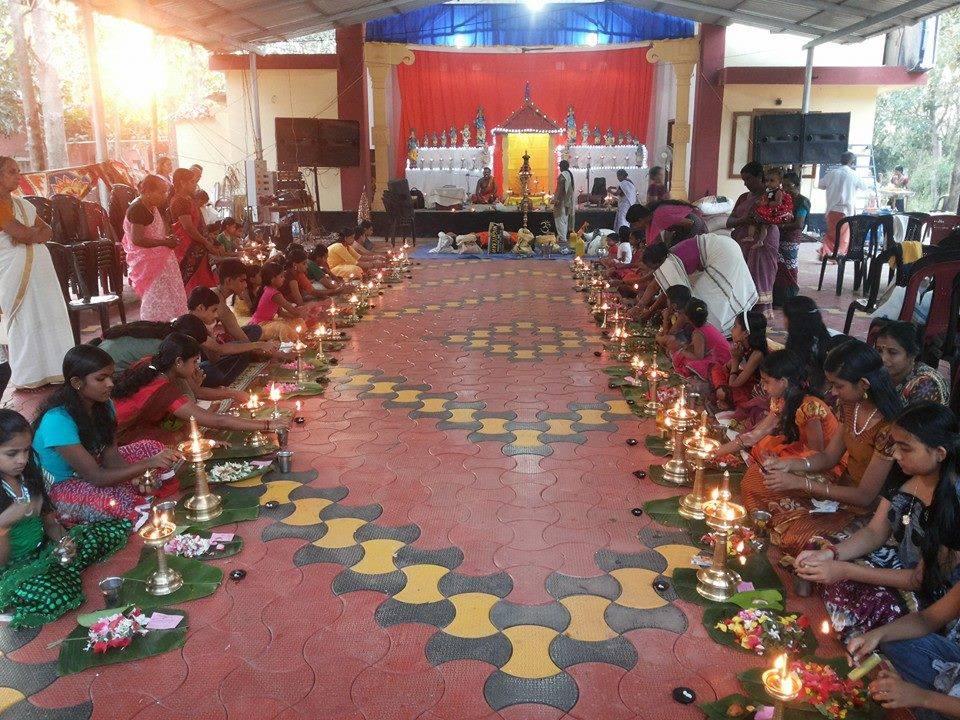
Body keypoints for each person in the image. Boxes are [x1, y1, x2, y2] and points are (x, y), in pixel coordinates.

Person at [796, 402, 960, 640]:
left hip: (932, 592)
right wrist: (831, 554)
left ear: (939, 453)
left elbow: (920, 580)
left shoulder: (953, 502)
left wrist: (844, 570)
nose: (895, 454)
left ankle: (856, 629)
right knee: (816, 548)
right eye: (896, 446)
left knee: (878, 603)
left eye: (905, 448)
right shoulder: (903, 474)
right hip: (895, 561)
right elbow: (875, 532)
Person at [753, 340, 903, 555]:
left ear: (864, 384)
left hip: (865, 509)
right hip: (837, 491)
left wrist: (800, 481)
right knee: (759, 481)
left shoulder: (888, 428)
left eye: (838, 385)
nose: (832, 392)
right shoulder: (850, 406)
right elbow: (828, 457)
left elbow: (865, 496)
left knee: (800, 535)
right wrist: (788, 464)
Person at [0, 409, 133, 628]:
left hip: (45, 549)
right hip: (13, 568)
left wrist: (63, 541)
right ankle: (18, 597)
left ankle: (59, 570)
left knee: (107, 531)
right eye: (12, 454)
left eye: (26, 451)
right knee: (54, 596)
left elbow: (49, 520)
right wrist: (4, 521)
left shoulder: (28, 474)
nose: (22, 460)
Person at [33, 346, 181, 525]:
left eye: (111, 376)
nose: (110, 383)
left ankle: (131, 495)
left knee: (151, 447)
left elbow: (112, 460)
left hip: (97, 469)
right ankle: (128, 502)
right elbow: (95, 477)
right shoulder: (57, 420)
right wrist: (147, 465)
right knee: (111, 501)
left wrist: (135, 476)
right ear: (76, 382)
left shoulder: (105, 405)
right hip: (64, 486)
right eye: (101, 379)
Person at [112, 333, 289, 444]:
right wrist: (268, 424)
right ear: (179, 362)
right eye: (194, 362)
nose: (197, 367)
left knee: (187, 426)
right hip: (116, 437)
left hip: (121, 426)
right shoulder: (163, 389)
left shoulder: (150, 363)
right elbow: (216, 421)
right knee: (176, 438)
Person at [0, 156, 74, 388]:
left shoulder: (23, 205)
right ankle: (30, 375)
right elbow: (18, 233)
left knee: (49, 315)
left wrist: (29, 235)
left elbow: (47, 230)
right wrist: (32, 235)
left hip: (41, 276)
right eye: (12, 171)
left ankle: (54, 369)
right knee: (24, 320)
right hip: (12, 272)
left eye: (18, 171)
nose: (18, 175)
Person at [716, 349, 840, 481]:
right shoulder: (780, 399)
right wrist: (716, 451)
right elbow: (754, 435)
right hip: (801, 448)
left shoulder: (810, 407)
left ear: (783, 382)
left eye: (766, 382)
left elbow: (818, 454)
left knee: (768, 467)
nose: (763, 387)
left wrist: (787, 464)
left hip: (822, 460)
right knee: (762, 448)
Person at [633, 236, 758, 335]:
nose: (656, 272)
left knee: (704, 299)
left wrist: (671, 332)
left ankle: (712, 332)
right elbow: (663, 288)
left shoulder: (670, 264)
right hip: (727, 245)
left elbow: (682, 301)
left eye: (653, 268)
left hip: (723, 255)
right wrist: (643, 308)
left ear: (658, 262)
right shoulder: (669, 256)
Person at [121, 174, 188, 323]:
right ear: (147, 191)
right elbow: (137, 240)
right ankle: (154, 327)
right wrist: (164, 242)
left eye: (165, 192)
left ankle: (171, 325)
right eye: (161, 192)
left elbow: (157, 232)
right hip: (149, 263)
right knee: (154, 298)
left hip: (160, 260)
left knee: (169, 296)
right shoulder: (138, 209)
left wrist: (167, 240)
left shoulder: (151, 206)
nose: (164, 196)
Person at [186, 287, 275, 387]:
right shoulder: (190, 324)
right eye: (213, 310)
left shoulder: (198, 323)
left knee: (251, 334)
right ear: (200, 308)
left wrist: (211, 334)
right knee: (239, 353)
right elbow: (220, 350)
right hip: (189, 375)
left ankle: (246, 356)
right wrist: (257, 345)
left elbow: (214, 358)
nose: (216, 315)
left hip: (201, 365)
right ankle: (227, 379)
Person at [726, 162, 781, 308]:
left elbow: (779, 217)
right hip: (743, 243)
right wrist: (743, 220)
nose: (746, 184)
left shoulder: (771, 196)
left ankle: (760, 313)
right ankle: (744, 313)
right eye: (743, 180)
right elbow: (729, 222)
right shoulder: (743, 197)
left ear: (759, 177)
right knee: (743, 279)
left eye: (749, 179)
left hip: (764, 241)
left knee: (761, 276)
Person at [168, 168, 218, 293]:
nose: (195, 185)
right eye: (192, 182)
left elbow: (198, 223)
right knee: (192, 283)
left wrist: (208, 238)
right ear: (182, 183)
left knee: (203, 280)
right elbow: (189, 228)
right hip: (188, 248)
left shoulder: (188, 199)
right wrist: (206, 242)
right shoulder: (179, 201)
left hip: (197, 244)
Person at [875, 321, 949, 405]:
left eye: (892, 352)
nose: (883, 358)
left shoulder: (926, 384)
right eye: (879, 351)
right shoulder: (881, 373)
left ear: (912, 355)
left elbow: (915, 418)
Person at [711, 310, 768, 411]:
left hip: (754, 389)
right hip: (741, 380)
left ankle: (726, 399)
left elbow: (734, 384)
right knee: (716, 369)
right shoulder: (743, 346)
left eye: (735, 326)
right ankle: (723, 395)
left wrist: (735, 360)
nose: (732, 330)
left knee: (731, 392)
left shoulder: (757, 354)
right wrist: (734, 360)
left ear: (746, 333)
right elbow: (724, 368)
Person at [818, 151, 869, 260]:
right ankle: (837, 256)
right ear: (852, 162)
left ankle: (827, 253)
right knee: (843, 236)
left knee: (831, 233)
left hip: (832, 209)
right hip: (846, 210)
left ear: (840, 160)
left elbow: (820, 185)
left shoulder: (832, 173)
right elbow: (864, 187)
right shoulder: (854, 174)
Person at [783, 295, 834, 394]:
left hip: (816, 393)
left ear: (795, 321)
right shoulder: (818, 333)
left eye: (785, 317)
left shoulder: (811, 347)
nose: (784, 321)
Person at [671, 297, 732, 380]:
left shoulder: (698, 333)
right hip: (725, 356)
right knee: (683, 353)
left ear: (687, 317)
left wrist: (683, 352)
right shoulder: (707, 324)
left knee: (685, 360)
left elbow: (698, 357)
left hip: (721, 360)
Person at [774, 171, 810, 307]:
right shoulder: (782, 199)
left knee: (789, 267)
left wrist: (779, 225)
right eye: (784, 186)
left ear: (797, 185)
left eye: (789, 186)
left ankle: (790, 297)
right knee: (779, 267)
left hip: (791, 239)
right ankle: (779, 297)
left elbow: (799, 224)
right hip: (779, 236)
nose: (786, 189)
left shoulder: (802, 202)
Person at [249, 262, 306, 341]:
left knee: (296, 321)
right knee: (282, 327)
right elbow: (295, 312)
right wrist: (307, 310)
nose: (284, 279)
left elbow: (281, 313)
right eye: (281, 276)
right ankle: (287, 345)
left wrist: (296, 317)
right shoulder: (274, 294)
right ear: (272, 279)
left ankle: (294, 338)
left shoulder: (268, 289)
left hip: (268, 322)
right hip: (259, 327)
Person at [627, 200, 707, 247]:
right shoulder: (650, 219)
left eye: (635, 224)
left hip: (693, 224)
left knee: (675, 252)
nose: (635, 227)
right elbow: (653, 243)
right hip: (683, 228)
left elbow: (689, 223)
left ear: (640, 220)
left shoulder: (659, 216)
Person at [553, 160, 575, 250]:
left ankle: (563, 241)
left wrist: (556, 199)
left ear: (561, 166)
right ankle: (563, 240)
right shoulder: (569, 175)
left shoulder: (563, 176)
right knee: (564, 221)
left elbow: (560, 189)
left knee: (560, 221)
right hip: (567, 202)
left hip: (561, 202)